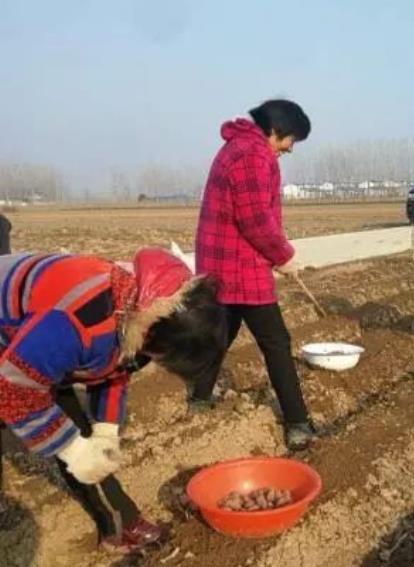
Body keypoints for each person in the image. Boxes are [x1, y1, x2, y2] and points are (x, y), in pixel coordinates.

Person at [0, 248, 228, 552]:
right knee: (69, 434)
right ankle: (120, 528)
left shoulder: (146, 314)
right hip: (18, 326)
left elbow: (114, 369)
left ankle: (119, 524)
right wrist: (72, 449)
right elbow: (12, 386)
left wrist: (107, 427)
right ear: (153, 335)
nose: (157, 364)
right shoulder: (75, 322)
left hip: (40, 331)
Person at [193, 99, 316, 450]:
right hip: (238, 264)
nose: (290, 148)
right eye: (290, 140)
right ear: (275, 130)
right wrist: (283, 256)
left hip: (223, 261)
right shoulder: (252, 153)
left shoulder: (238, 146)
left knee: (222, 331)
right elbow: (255, 219)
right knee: (276, 342)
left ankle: (200, 397)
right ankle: (297, 423)